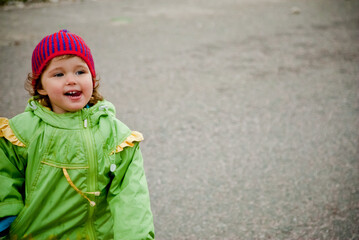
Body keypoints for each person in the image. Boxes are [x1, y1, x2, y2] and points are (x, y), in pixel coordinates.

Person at [0, 30, 155, 239]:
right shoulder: (23, 131)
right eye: (58, 74)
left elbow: (132, 198)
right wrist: (6, 221)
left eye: (80, 72)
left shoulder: (116, 136)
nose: (72, 80)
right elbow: (4, 176)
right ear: (41, 86)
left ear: (92, 78)